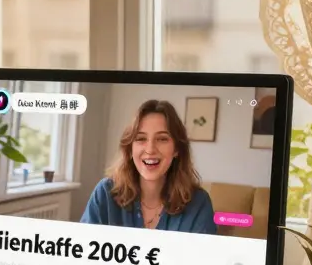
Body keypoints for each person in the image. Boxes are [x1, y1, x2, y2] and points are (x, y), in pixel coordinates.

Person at [79, 99, 216, 234]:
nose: (150, 150)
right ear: (130, 150)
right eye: (141, 139)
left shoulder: (199, 203)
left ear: (176, 149)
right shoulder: (105, 193)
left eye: (162, 139)